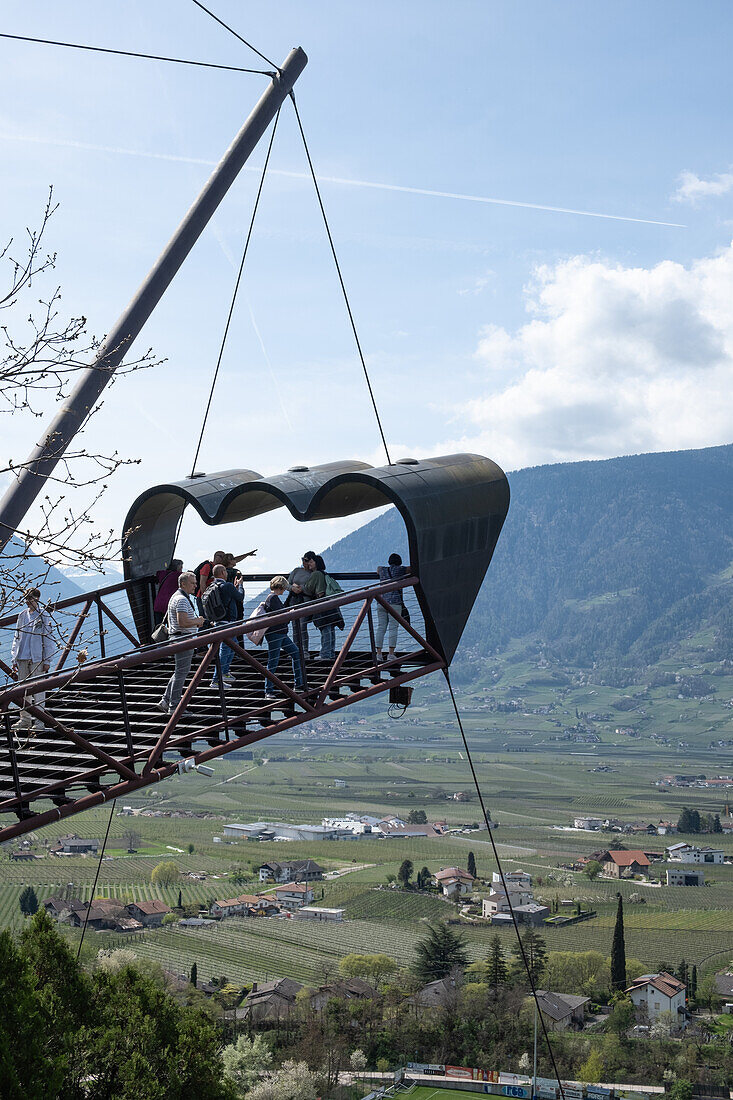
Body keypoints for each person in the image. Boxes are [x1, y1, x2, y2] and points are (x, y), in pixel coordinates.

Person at [157, 571, 204, 714]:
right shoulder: (182, 599)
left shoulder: (176, 597)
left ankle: (165, 700)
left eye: (196, 583)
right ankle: (174, 706)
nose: (195, 586)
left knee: (179, 672)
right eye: (193, 583)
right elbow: (182, 622)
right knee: (181, 673)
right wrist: (198, 621)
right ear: (183, 583)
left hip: (178, 638)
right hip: (183, 639)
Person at [10, 588, 57, 730]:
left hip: (37, 659)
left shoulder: (43, 616)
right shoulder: (22, 615)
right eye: (26, 598)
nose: (27, 601)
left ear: (37, 598)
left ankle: (39, 721)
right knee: (22, 691)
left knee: (38, 691)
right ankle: (24, 719)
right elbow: (17, 637)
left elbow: (49, 638)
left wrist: (47, 660)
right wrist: (14, 658)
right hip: (22, 657)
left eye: (30, 598)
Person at [202, 564, 244, 688]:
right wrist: (240, 586)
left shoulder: (212, 586)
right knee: (226, 650)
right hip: (227, 622)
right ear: (222, 573)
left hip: (218, 622)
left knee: (233, 645)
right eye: (225, 571)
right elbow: (240, 597)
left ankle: (224, 673)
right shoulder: (227, 585)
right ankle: (216, 680)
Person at [262, 576, 304, 698]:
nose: (285, 590)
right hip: (276, 633)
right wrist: (289, 615)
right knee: (273, 661)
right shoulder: (273, 598)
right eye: (284, 588)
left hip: (279, 633)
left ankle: (299, 683)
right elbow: (280, 617)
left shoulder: (272, 598)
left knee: (295, 653)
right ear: (280, 587)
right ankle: (268, 690)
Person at [303, 555, 344, 662]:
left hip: (322, 604)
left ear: (316, 563)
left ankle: (325, 654)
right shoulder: (324, 573)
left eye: (311, 562)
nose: (309, 564)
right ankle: (330, 653)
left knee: (325, 629)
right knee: (330, 629)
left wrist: (299, 586)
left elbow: (308, 589)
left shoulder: (316, 574)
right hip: (331, 604)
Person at [375, 552, 409, 661]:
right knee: (393, 628)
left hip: (381, 602)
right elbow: (412, 569)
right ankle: (390, 654)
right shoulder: (400, 570)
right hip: (394, 602)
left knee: (381, 627)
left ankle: (379, 654)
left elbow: (378, 568)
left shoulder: (382, 570)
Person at [286, 551, 317, 657]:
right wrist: (293, 588)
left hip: (305, 601)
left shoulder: (314, 574)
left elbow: (313, 589)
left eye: (306, 560)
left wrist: (301, 589)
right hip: (294, 600)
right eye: (303, 560)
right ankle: (295, 650)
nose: (304, 562)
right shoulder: (296, 571)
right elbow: (287, 583)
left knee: (302, 625)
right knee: (295, 626)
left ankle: (304, 650)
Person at [153, 559, 183, 625]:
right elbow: (186, 577)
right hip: (170, 605)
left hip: (159, 604)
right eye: (181, 567)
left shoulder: (163, 574)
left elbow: (158, 573)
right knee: (172, 629)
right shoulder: (179, 576)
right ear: (178, 567)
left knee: (158, 628)